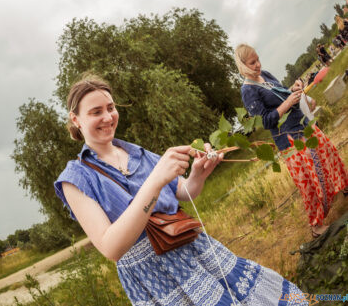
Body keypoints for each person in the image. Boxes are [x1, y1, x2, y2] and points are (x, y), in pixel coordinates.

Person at [54, 75, 309, 305]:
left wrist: (198, 173)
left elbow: (184, 193)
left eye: (111, 108)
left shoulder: (138, 153)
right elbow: (111, 248)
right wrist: (154, 181)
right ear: (75, 119)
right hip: (157, 279)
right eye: (96, 112)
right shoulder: (75, 178)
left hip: (195, 249)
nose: (108, 117)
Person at [234, 44, 348, 239]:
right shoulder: (248, 91)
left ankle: (343, 187)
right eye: (252, 63)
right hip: (289, 138)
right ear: (243, 65)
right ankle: (316, 225)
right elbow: (265, 121)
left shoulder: (266, 74)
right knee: (309, 182)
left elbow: (279, 95)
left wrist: (293, 90)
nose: (258, 64)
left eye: (258, 59)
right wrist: (288, 103)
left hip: (302, 124)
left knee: (328, 155)